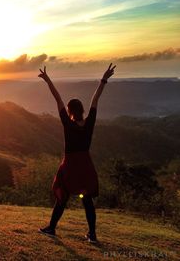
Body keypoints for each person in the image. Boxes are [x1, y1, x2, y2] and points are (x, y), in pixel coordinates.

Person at [38, 64, 116, 243]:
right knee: (87, 200)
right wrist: (104, 79)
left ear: (70, 111)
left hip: (71, 165)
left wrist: (47, 79)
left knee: (62, 197)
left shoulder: (68, 124)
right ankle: (92, 235)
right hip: (86, 165)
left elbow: (57, 98)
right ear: (82, 111)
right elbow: (95, 99)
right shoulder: (89, 123)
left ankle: (51, 228)